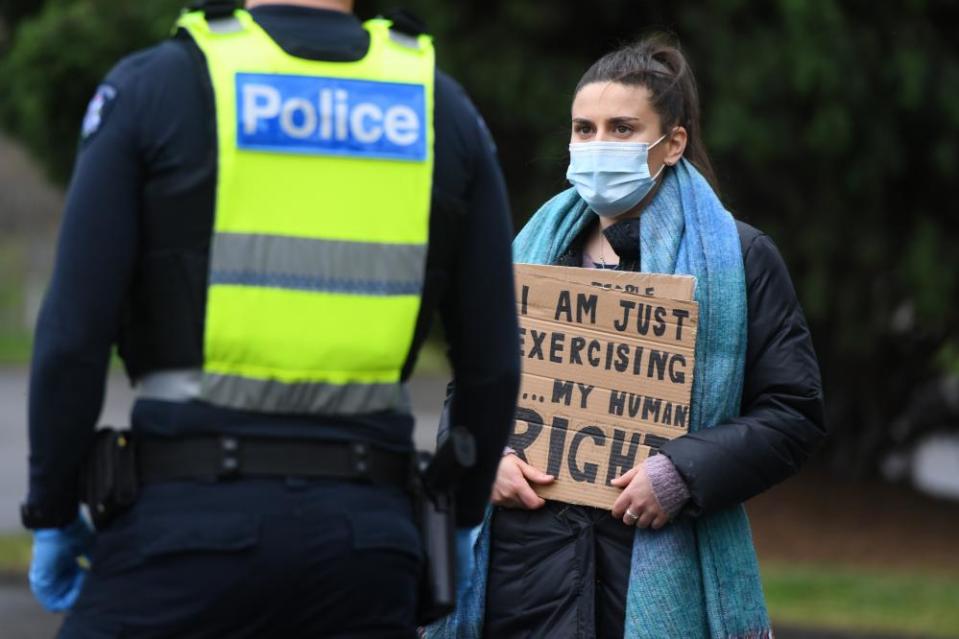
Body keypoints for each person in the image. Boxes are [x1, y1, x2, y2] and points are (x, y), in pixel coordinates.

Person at [20, 1, 520, 637]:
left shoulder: (159, 85)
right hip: (367, 548)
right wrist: (463, 519)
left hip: (186, 529)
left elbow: (71, 340)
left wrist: (54, 510)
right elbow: (494, 365)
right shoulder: (441, 107)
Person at [427, 34, 826, 639]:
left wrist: (681, 476)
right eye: (583, 129)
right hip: (522, 580)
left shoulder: (740, 259)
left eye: (621, 127)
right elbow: (473, 390)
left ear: (672, 144)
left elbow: (792, 413)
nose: (597, 145)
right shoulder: (528, 253)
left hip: (650, 566)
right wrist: (488, 459)